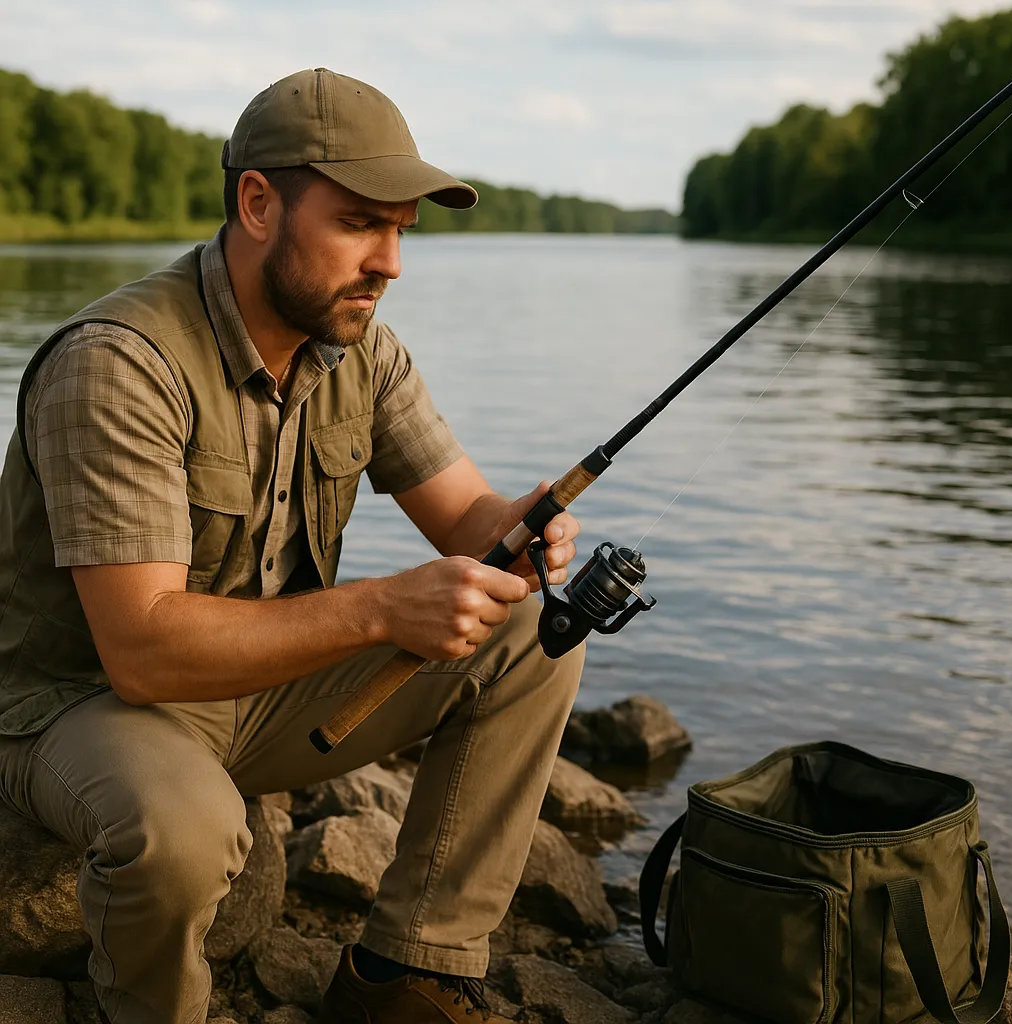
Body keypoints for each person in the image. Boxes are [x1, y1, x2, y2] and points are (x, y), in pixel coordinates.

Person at [0, 68, 584, 1024]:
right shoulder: (118, 362)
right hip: (81, 703)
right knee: (186, 825)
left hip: (252, 694)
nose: (390, 263)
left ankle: (406, 975)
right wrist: (384, 607)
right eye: (359, 224)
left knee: (528, 634)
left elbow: (468, 518)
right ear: (257, 204)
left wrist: (523, 526)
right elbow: (141, 653)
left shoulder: (363, 348)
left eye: (402, 231)